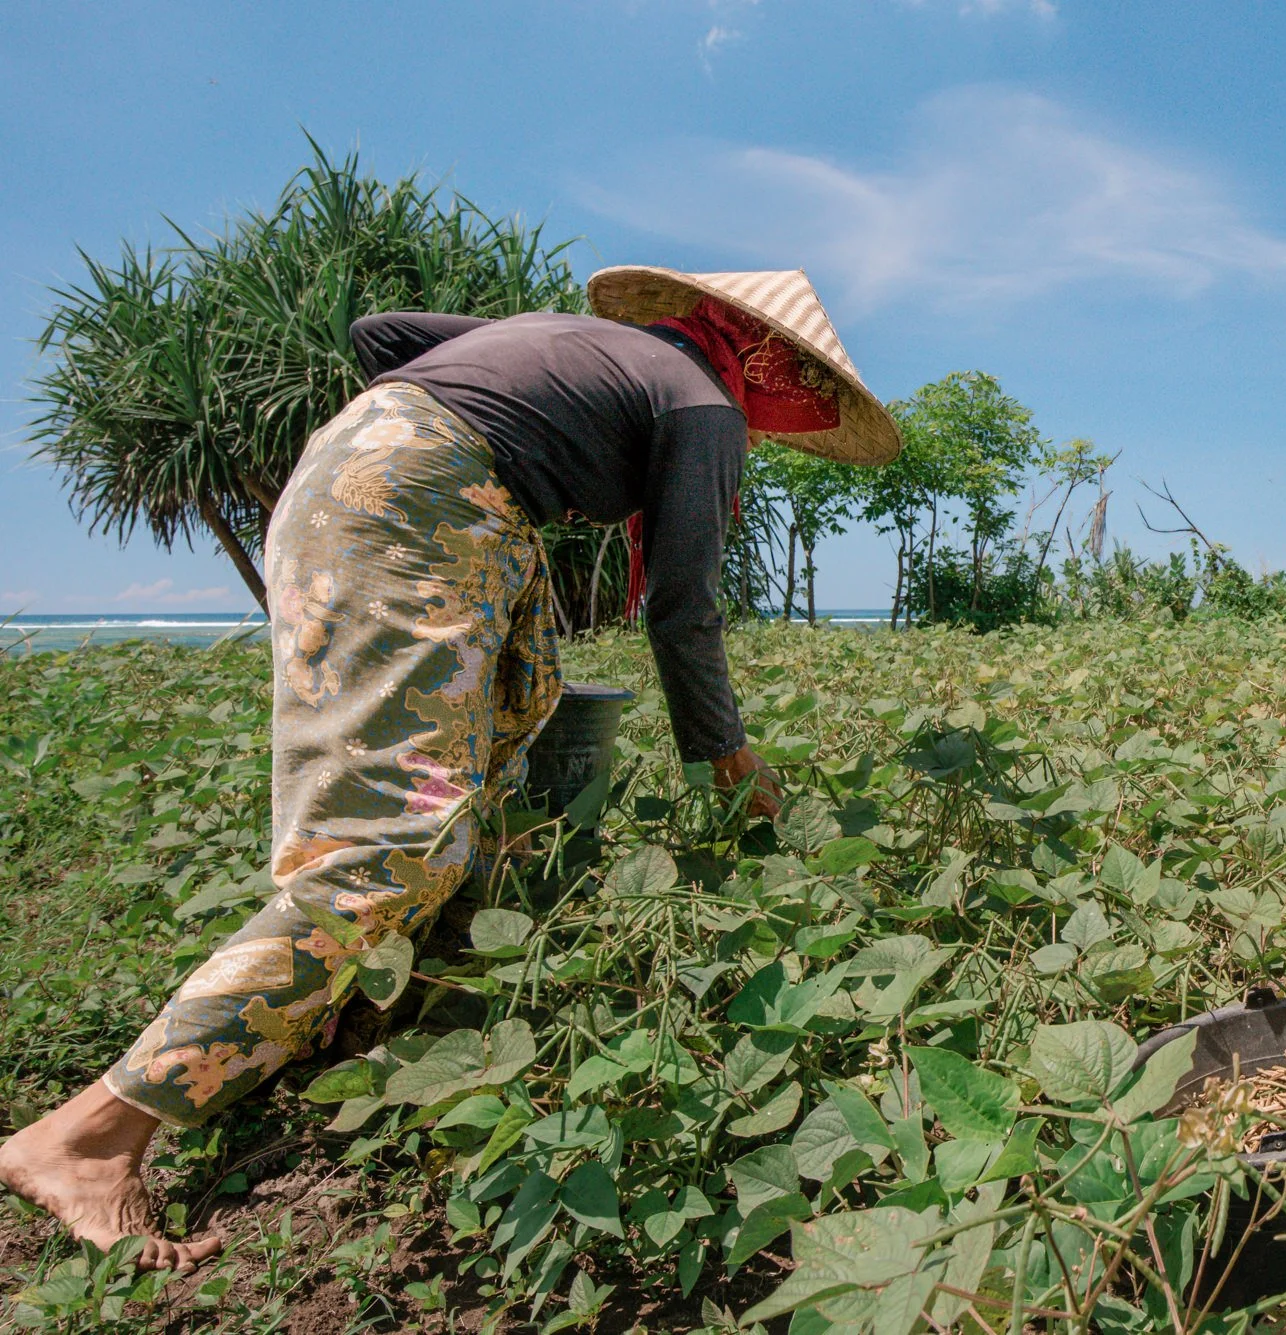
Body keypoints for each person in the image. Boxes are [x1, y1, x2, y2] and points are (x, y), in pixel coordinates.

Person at [0, 266, 901, 1271]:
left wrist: (465, 401)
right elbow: (681, 607)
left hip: (376, 480)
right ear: (767, 360)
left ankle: (370, 1019)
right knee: (389, 849)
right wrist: (721, 757)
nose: (792, 415)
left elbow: (379, 329)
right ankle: (87, 1136)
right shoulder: (702, 404)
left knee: (512, 722)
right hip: (420, 505)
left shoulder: (574, 345)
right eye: (801, 392)